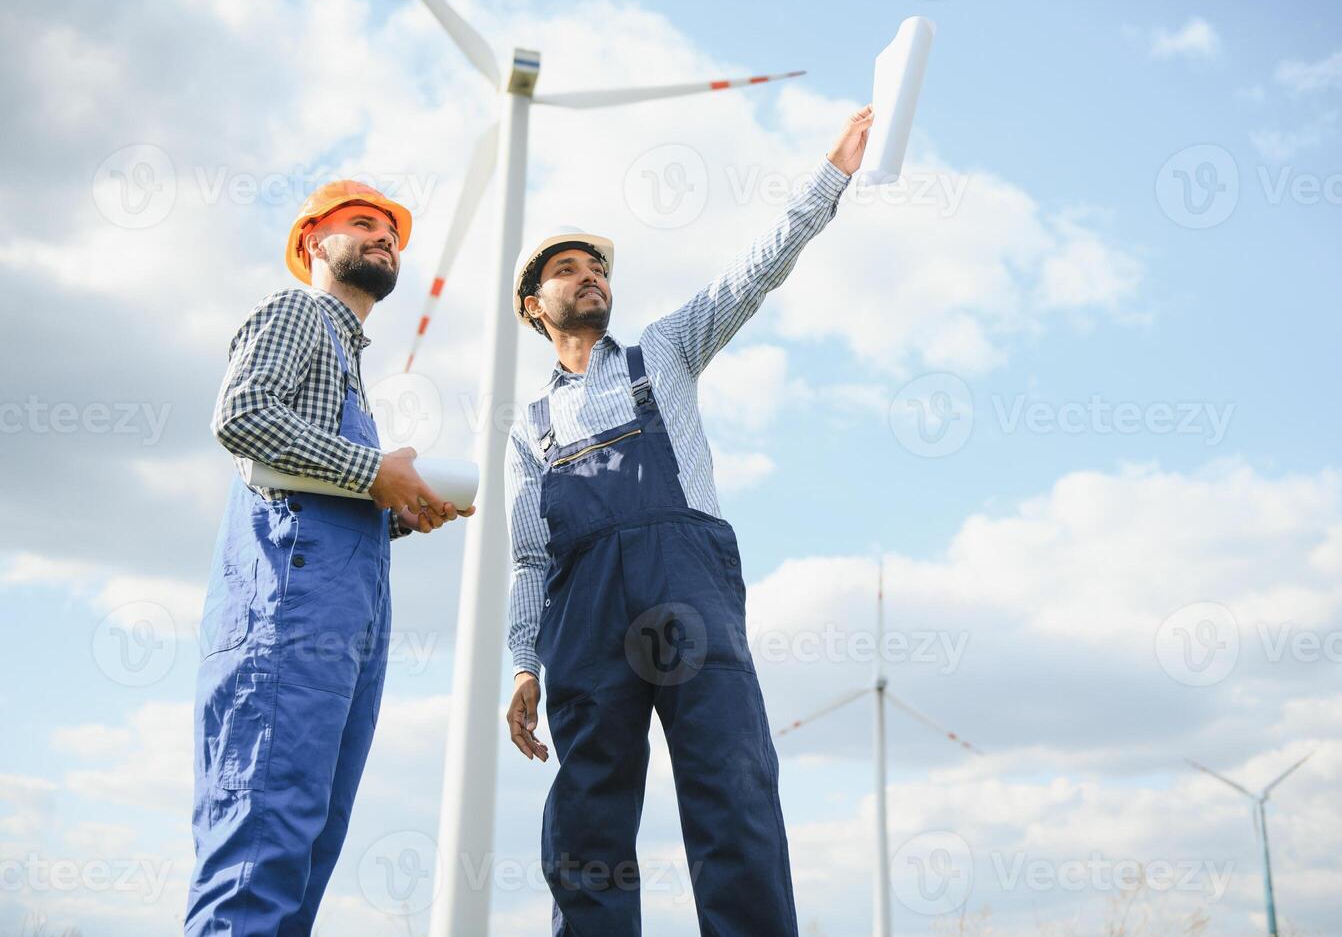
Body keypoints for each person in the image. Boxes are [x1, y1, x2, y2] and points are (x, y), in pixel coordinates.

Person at [503, 105, 874, 934]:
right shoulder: (527, 427)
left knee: (730, 779)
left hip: (685, 588)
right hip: (583, 615)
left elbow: (752, 273)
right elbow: (529, 556)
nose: (588, 275)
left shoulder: (664, 352)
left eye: (595, 266)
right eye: (566, 270)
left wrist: (830, 176)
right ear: (534, 306)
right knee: (588, 813)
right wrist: (524, 662)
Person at [186, 180, 474, 935]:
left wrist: (402, 507)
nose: (383, 237)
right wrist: (376, 472)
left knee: (306, 843)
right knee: (261, 844)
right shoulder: (298, 313)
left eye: (391, 231)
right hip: (287, 613)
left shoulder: (351, 371)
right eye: (361, 223)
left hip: (344, 620)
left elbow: (315, 482)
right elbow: (243, 417)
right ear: (313, 242)